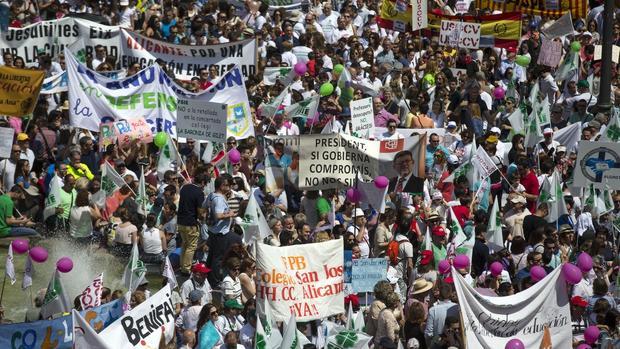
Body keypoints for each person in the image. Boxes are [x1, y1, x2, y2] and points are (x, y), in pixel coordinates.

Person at [177, 172, 207, 275]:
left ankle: (182, 266)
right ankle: (186, 269)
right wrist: (204, 217)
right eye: (205, 184)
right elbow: (200, 211)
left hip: (180, 221)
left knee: (184, 244)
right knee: (191, 246)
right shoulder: (199, 192)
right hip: (191, 223)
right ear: (202, 182)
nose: (205, 186)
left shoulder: (185, 188)